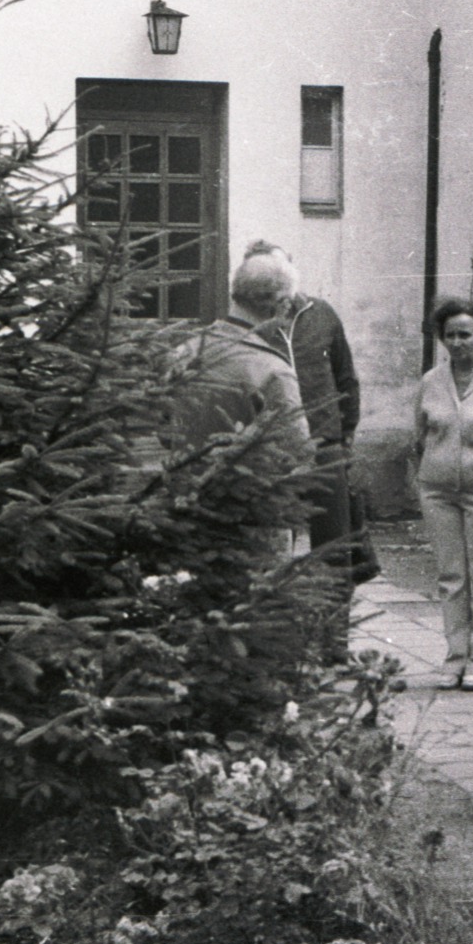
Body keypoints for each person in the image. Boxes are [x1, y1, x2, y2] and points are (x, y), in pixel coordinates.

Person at [243, 242, 363, 653]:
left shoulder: (322, 315)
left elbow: (346, 379)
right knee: (275, 552)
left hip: (325, 450)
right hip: (273, 456)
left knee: (334, 549)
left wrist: (342, 437)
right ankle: (282, 643)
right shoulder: (251, 326)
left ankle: (335, 644)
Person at [173, 250, 312, 557]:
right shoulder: (272, 370)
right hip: (254, 526)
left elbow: (162, 428)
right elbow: (297, 450)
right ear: (282, 304)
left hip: (183, 512)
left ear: (234, 292)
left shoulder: (184, 352)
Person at [414, 297, 473, 692]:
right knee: (451, 576)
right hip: (437, 491)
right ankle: (454, 657)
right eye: (450, 335)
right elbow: (418, 436)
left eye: (465, 334)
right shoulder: (431, 381)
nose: (456, 342)